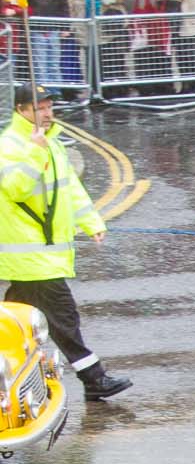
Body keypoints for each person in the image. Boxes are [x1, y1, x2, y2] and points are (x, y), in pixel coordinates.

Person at [0, 88, 130, 400]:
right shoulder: (10, 146)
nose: (47, 113)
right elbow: (15, 188)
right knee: (63, 318)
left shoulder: (52, 142)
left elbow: (69, 189)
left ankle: (21, 377)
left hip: (43, 253)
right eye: (39, 108)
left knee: (18, 318)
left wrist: (92, 222)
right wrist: (35, 153)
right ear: (21, 111)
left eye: (49, 107)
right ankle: (94, 379)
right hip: (28, 253)